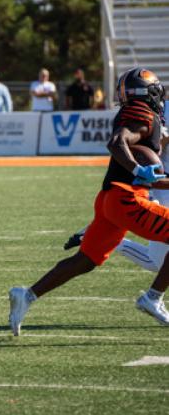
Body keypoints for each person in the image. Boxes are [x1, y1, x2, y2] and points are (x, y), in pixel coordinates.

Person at [9, 68, 169, 336]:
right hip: (126, 197)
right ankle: (152, 298)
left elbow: (148, 172)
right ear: (148, 92)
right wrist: (136, 169)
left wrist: (142, 172)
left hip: (110, 200)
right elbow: (118, 142)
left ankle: (26, 295)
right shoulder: (142, 112)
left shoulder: (140, 115)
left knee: (85, 260)